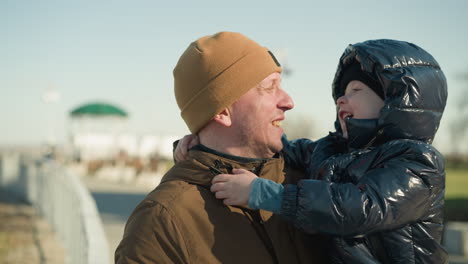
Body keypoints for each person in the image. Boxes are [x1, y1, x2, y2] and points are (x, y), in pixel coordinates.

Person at [208, 39, 449, 263]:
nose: (341, 100)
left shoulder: (417, 162)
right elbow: (283, 150)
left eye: (355, 90)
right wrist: (206, 140)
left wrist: (268, 195)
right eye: (341, 93)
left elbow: (362, 209)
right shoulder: (331, 149)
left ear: (393, 101)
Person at [115, 31, 329, 264]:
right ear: (222, 112)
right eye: (270, 87)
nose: (288, 102)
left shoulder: (311, 185)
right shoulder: (162, 221)